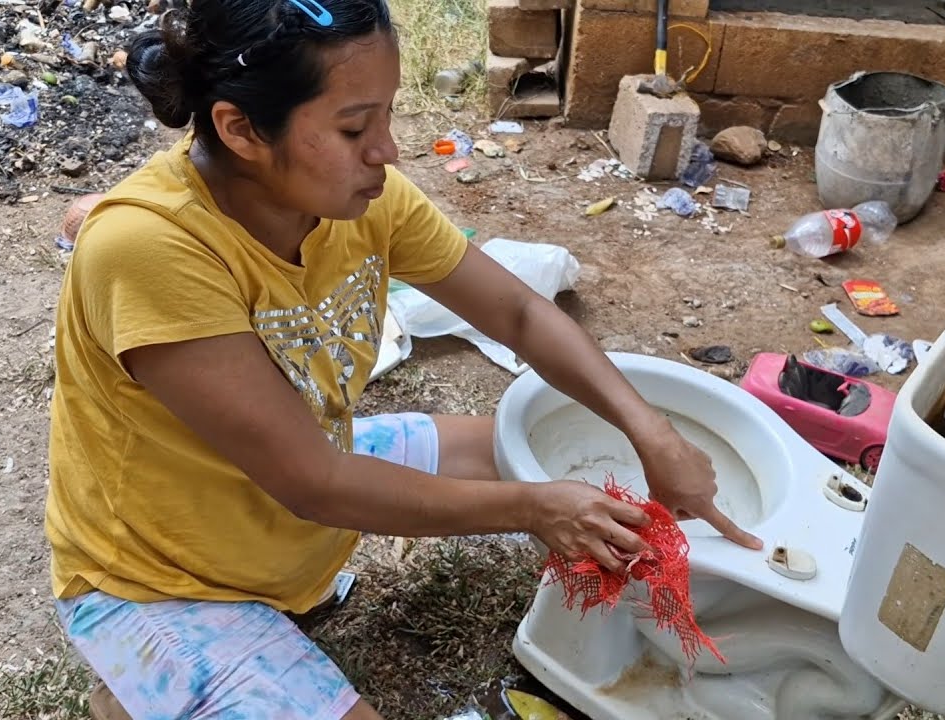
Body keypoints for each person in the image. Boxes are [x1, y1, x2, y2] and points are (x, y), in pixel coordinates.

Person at [43, 0, 763, 717]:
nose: (386, 149)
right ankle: (138, 681)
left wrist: (651, 432)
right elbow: (316, 484)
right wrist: (536, 509)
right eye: (355, 126)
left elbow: (517, 311)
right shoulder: (148, 247)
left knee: (571, 452)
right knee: (540, 487)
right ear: (240, 129)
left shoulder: (359, 199)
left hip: (299, 481)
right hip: (161, 576)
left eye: (385, 115)